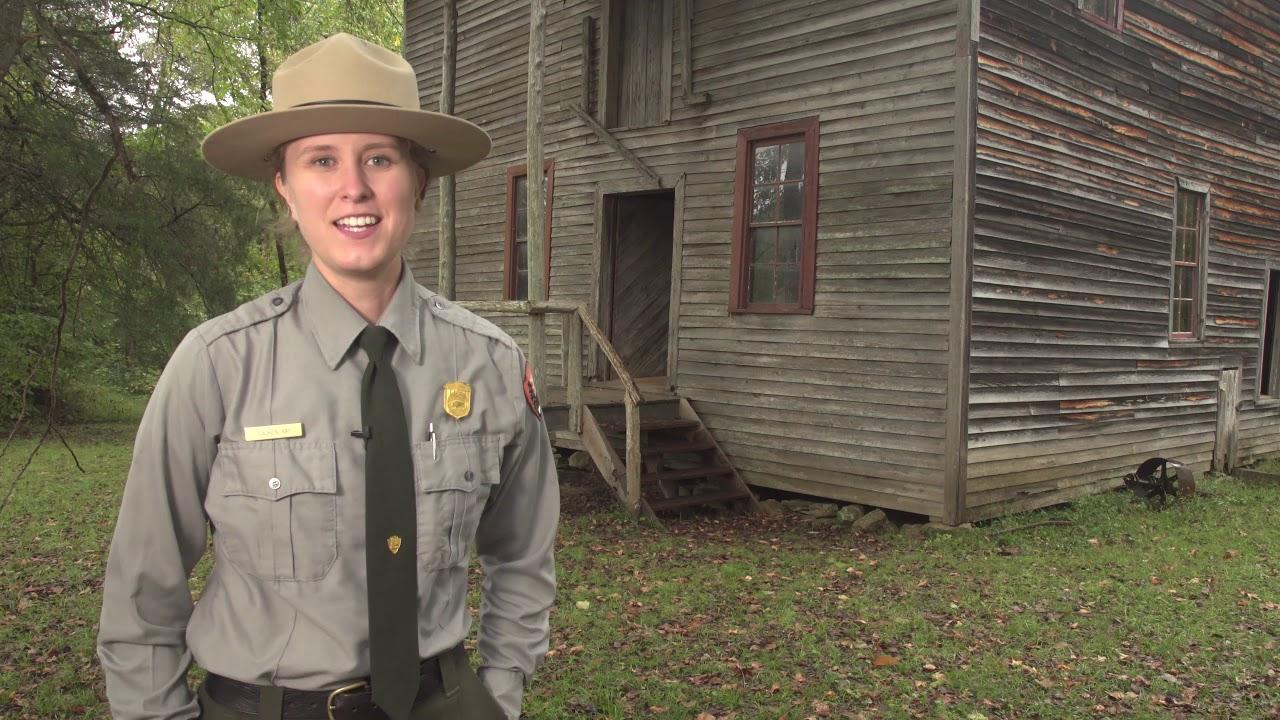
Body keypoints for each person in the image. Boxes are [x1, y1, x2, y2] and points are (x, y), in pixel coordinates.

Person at [96, 33, 559, 720]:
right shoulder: (218, 364)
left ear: (418, 180)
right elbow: (142, 592)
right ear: (284, 186)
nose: (354, 188)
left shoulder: (489, 363)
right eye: (321, 160)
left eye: (380, 157)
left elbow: (523, 554)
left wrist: (502, 690)